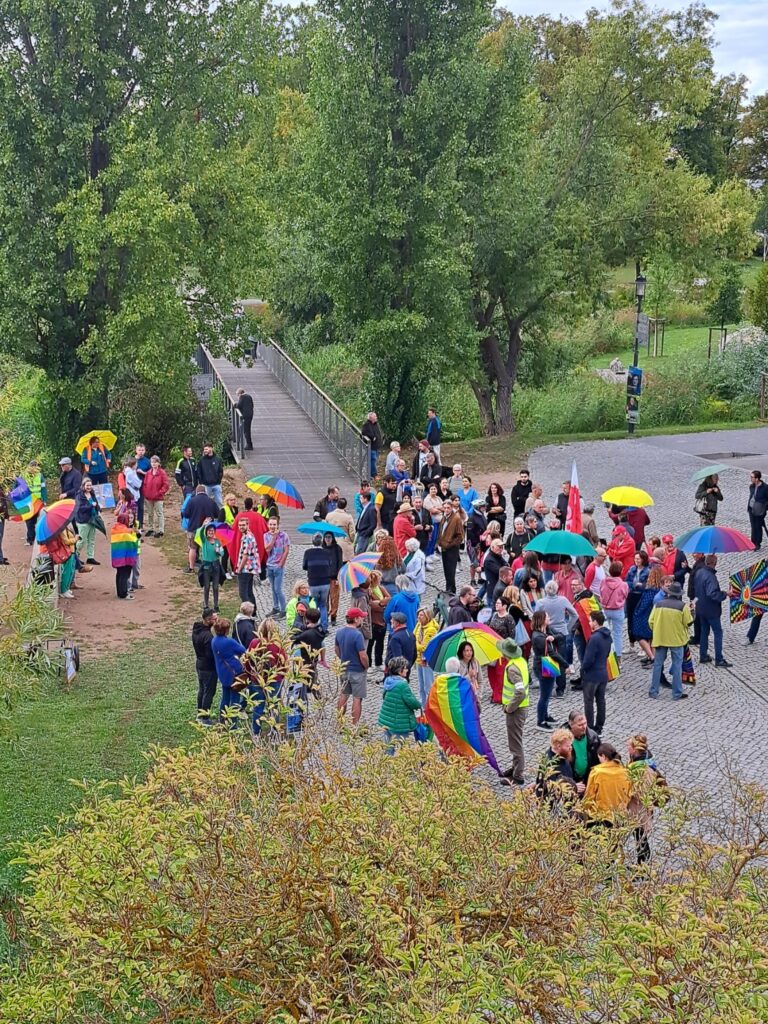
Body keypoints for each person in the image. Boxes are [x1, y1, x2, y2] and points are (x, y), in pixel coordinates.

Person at [648, 581, 693, 700]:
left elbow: (650, 621)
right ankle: (677, 693)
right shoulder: (682, 606)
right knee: (677, 666)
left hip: (660, 638)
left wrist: (657, 630)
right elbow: (688, 623)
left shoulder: (658, 604)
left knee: (658, 665)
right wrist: (692, 611)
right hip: (676, 640)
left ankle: (653, 691)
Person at [626, 734, 666, 865]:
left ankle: (642, 866)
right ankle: (642, 863)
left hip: (640, 809)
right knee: (639, 836)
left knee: (640, 837)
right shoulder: (640, 761)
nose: (627, 748)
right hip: (638, 808)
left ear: (635, 749)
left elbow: (642, 792)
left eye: (629, 746)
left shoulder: (644, 768)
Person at [245, 619, 288, 735]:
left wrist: (250, 675)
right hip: (274, 679)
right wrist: (282, 675)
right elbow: (284, 662)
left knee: (258, 706)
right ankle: (274, 730)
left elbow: (248, 661)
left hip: (258, 678)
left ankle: (256, 732)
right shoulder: (277, 644)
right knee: (274, 706)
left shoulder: (255, 642)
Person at [497, 637, 530, 786]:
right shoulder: (521, 661)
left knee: (515, 743)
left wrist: (509, 707)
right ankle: (516, 766)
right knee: (515, 741)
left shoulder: (512, 668)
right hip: (522, 707)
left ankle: (518, 775)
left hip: (516, 710)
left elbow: (520, 692)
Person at [536, 580, 577, 698]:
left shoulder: (541, 603)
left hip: (547, 633)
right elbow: (575, 615)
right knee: (561, 659)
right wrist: (567, 628)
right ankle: (561, 689)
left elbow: (537, 618)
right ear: (557, 589)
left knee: (549, 658)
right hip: (561, 633)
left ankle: (550, 685)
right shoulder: (563, 600)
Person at [531, 609, 567, 731]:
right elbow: (552, 653)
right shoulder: (538, 637)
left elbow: (561, 636)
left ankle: (545, 716)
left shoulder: (546, 631)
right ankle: (540, 721)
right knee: (544, 696)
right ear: (541, 620)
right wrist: (565, 665)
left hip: (547, 665)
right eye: (546, 617)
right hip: (543, 666)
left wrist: (553, 637)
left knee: (546, 694)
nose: (549, 618)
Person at [693, 554, 731, 667]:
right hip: (711, 610)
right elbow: (712, 594)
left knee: (704, 631)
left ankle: (703, 655)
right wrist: (725, 594)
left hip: (701, 608)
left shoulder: (699, 572)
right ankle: (719, 659)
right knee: (718, 633)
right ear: (715, 563)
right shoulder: (710, 576)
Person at [582, 743, 632, 826]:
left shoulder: (597, 773)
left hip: (600, 816)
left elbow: (589, 796)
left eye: (599, 758)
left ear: (604, 756)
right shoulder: (626, 772)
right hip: (619, 816)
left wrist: (584, 812)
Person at [379, 656, 422, 747]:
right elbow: (412, 702)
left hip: (385, 722)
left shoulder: (388, 681)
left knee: (388, 749)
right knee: (403, 749)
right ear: (399, 670)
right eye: (405, 668)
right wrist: (419, 705)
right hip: (398, 724)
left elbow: (384, 696)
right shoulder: (402, 684)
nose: (407, 670)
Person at [580, 610, 613, 735]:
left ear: (595, 621)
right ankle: (600, 726)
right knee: (601, 701)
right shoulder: (607, 636)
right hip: (603, 673)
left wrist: (582, 669)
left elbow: (588, 659)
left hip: (592, 675)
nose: (589, 623)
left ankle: (590, 727)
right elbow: (607, 653)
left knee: (589, 702)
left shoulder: (594, 638)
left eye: (590, 620)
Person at [336, 608, 370, 725]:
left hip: (344, 668)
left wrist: (344, 659)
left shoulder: (339, 632)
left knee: (343, 695)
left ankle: (339, 723)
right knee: (357, 698)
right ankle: (354, 726)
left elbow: (337, 650)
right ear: (355, 619)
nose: (362, 619)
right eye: (361, 617)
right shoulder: (357, 635)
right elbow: (363, 655)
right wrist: (366, 666)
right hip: (357, 670)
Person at [534, 728, 585, 807]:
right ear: (558, 746)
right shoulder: (549, 764)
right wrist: (574, 787)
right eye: (568, 745)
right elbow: (552, 789)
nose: (570, 748)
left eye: (571, 745)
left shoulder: (563, 754)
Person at [211, 618, 246, 719]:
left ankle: (222, 718)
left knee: (225, 697)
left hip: (222, 672)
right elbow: (242, 650)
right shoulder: (229, 642)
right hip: (234, 674)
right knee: (235, 698)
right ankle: (233, 724)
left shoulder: (214, 641)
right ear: (225, 630)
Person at [302, 533, 334, 631]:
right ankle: (324, 627)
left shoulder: (308, 552)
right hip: (325, 582)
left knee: (313, 604)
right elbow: (330, 564)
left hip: (313, 582)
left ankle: (313, 624)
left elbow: (304, 566)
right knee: (323, 605)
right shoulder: (327, 553)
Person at [291, 607, 325, 694]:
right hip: (314, 660)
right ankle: (319, 697)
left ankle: (301, 700)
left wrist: (305, 628)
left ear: (307, 619)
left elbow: (293, 638)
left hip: (304, 661)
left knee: (301, 683)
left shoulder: (307, 634)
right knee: (313, 678)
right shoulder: (320, 629)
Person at [192, 608, 218, 722]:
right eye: (215, 619)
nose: (217, 621)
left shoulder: (197, 630)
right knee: (209, 692)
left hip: (199, 664)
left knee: (202, 690)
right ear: (208, 620)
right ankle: (205, 718)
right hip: (208, 668)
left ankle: (200, 713)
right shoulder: (208, 636)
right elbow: (210, 655)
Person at [600, 561, 629, 661]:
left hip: (605, 609)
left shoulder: (604, 581)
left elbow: (601, 593)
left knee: (604, 633)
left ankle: (605, 655)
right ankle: (618, 658)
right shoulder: (623, 584)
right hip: (618, 610)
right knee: (617, 635)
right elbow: (626, 595)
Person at [564, 711, 601, 786]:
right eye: (580, 725)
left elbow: (599, 759)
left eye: (585, 723)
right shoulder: (563, 739)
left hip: (588, 780)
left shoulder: (593, 737)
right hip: (570, 781)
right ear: (571, 725)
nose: (584, 727)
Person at [264, 516, 290, 616]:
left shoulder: (284, 535)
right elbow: (267, 549)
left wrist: (281, 563)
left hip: (278, 566)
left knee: (278, 589)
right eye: (270, 524)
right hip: (269, 565)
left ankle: (283, 609)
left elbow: (286, 550)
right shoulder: (266, 535)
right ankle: (275, 607)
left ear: (277, 525)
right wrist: (274, 538)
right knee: (273, 589)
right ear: (268, 525)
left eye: (274, 524)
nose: (272, 526)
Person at [367, 570, 391, 674]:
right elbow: (372, 605)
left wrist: (380, 603)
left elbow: (389, 598)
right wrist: (382, 604)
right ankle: (369, 665)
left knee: (380, 644)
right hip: (373, 621)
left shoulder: (381, 588)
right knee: (370, 645)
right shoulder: (369, 591)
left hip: (382, 621)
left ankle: (378, 662)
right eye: (379, 578)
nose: (381, 579)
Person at [438, 499, 464, 594]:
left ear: (452, 507)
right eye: (444, 508)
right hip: (444, 547)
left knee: (451, 569)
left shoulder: (456, 518)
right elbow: (441, 530)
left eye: (448, 508)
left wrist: (451, 544)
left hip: (452, 548)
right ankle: (448, 587)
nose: (446, 510)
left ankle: (452, 589)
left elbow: (460, 536)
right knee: (446, 569)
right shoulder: (444, 517)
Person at [414, 607, 439, 705]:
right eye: (418, 615)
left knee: (428, 686)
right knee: (421, 687)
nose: (419, 617)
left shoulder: (431, 630)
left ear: (427, 616)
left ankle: (431, 707)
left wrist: (415, 642)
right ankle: (424, 707)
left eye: (421, 615)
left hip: (427, 660)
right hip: (419, 659)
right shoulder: (419, 625)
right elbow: (413, 635)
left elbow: (424, 647)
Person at [197, 523, 224, 612]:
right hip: (206, 566)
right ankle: (206, 605)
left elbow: (222, 552)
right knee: (207, 586)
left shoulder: (217, 541)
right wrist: (204, 525)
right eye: (209, 531)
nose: (211, 532)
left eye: (212, 531)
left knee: (215, 587)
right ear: (206, 532)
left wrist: (219, 552)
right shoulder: (204, 540)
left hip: (216, 566)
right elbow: (201, 533)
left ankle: (216, 605)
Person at [111, 512, 138, 600]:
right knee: (125, 575)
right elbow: (133, 541)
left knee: (119, 574)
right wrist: (135, 533)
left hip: (117, 556)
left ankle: (119, 592)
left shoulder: (114, 529)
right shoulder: (127, 530)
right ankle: (123, 593)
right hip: (125, 557)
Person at [74, 478, 101, 565]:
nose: (89, 487)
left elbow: (96, 503)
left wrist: (98, 510)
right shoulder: (79, 495)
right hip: (83, 521)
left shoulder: (92, 494)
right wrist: (90, 505)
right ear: (83, 486)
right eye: (87, 485)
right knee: (82, 540)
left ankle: (90, 557)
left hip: (92, 520)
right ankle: (75, 557)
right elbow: (80, 508)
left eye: (90, 485)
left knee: (91, 539)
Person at [142, 455, 169, 537]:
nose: (153, 464)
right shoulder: (148, 473)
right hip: (148, 497)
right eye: (152, 462)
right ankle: (151, 528)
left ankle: (161, 530)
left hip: (158, 497)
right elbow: (145, 484)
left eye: (155, 462)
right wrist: (145, 493)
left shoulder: (162, 473)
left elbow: (166, 485)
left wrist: (160, 492)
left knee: (159, 513)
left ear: (158, 463)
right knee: (150, 513)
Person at [235, 519, 260, 605]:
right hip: (250, 568)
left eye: (243, 525)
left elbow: (245, 555)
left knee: (243, 594)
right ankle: (253, 613)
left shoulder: (247, 538)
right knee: (249, 592)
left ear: (247, 525)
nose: (241, 527)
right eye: (240, 525)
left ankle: (247, 612)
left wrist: (239, 569)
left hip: (245, 569)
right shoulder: (249, 535)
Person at [322, 531, 344, 626]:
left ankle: (333, 616)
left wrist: (339, 577)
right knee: (324, 599)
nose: (327, 539)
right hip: (324, 577)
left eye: (329, 537)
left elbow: (340, 563)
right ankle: (325, 615)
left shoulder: (337, 548)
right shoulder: (322, 549)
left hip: (334, 577)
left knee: (334, 598)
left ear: (332, 538)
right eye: (326, 537)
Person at [326, 497, 356, 561]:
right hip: (345, 542)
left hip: (333, 541)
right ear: (345, 506)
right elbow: (352, 533)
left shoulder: (329, 515)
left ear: (337, 504)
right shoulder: (348, 517)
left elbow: (326, 530)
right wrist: (352, 541)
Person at [748, 470, 768, 550]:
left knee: (758, 526)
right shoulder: (751, 486)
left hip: (760, 510)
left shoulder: (765, 487)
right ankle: (752, 542)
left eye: (752, 477)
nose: (751, 478)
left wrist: (764, 508)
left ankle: (758, 543)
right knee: (753, 526)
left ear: (757, 478)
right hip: (751, 509)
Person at [361, 411, 383, 479]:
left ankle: (372, 474)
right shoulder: (366, 425)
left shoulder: (376, 424)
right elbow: (364, 433)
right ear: (371, 417)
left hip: (376, 446)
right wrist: (373, 437)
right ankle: (374, 474)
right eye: (375, 416)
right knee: (372, 460)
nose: (376, 417)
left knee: (374, 460)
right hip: (371, 446)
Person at [354, 489, 377, 554]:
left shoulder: (371, 509)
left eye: (361, 498)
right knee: (357, 550)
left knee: (360, 552)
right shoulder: (365, 507)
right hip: (360, 532)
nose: (360, 499)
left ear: (365, 499)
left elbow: (373, 524)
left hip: (364, 534)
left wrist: (366, 533)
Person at [0, 485, 8, 565]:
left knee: (1, 536)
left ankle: (1, 557)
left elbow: (4, 503)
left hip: (2, 516)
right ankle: (0, 558)